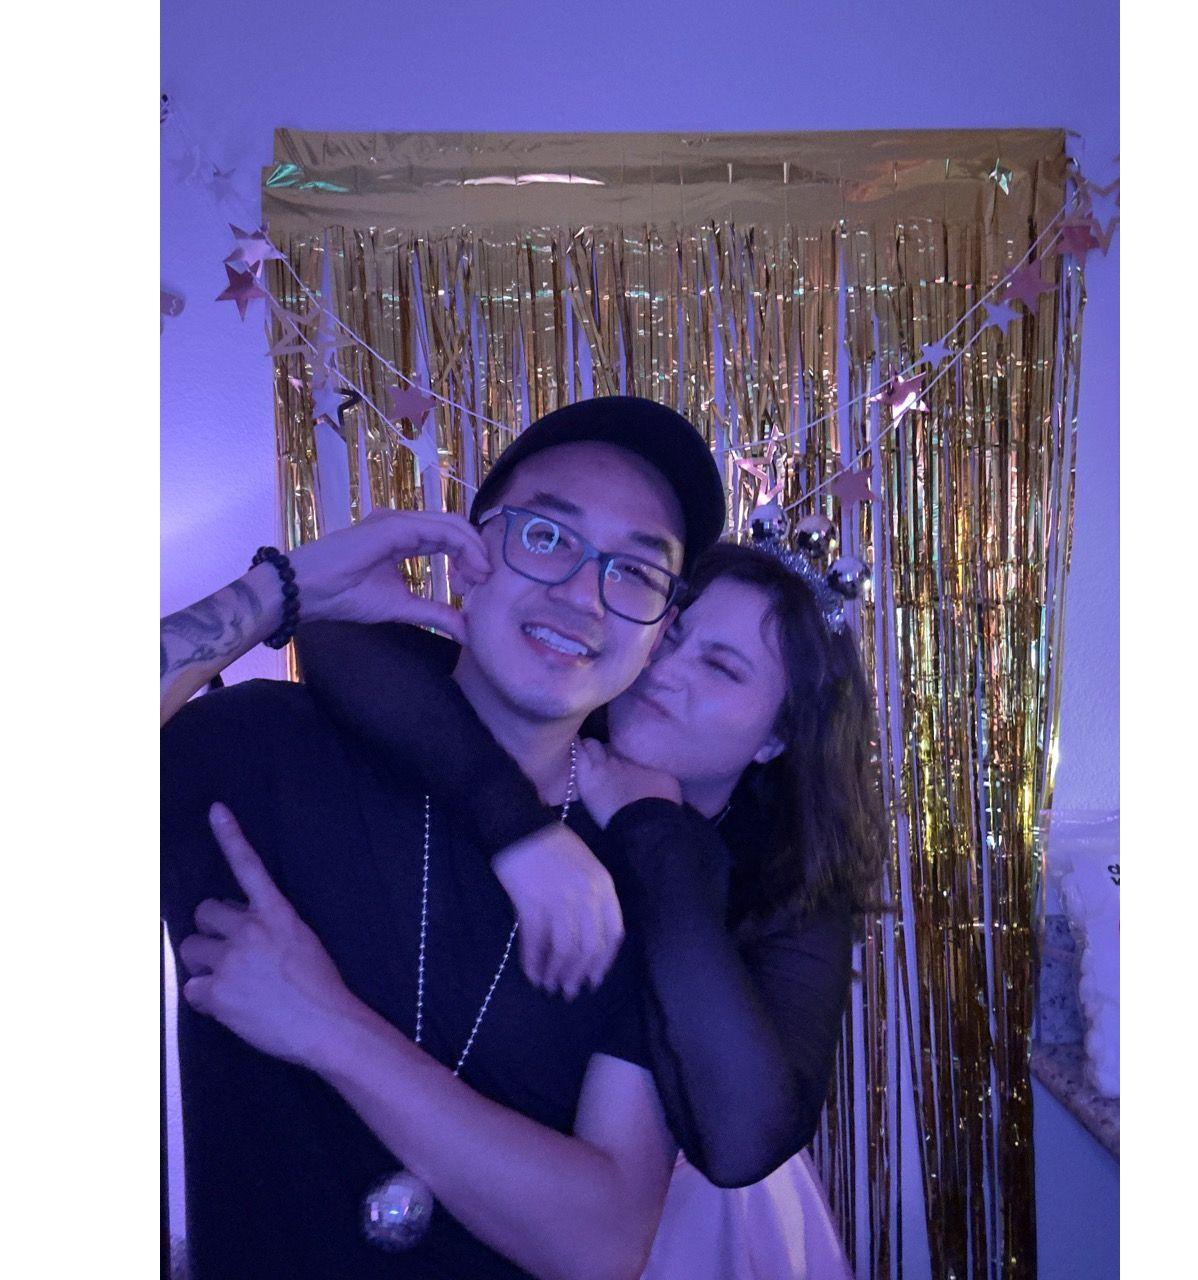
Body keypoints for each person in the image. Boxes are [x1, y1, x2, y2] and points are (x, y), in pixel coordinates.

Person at [182, 530, 888, 1276]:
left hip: (692, 1231)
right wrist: (519, 829)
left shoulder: (791, 879)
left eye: (721, 666)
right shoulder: (550, 730)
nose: (666, 671)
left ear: (777, 737)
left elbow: (742, 1139)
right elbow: (344, 648)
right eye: (673, 635)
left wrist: (653, 831)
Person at [161, 396, 725, 1280]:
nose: (583, 595)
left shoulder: (646, 863)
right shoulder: (267, 748)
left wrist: (327, 1026)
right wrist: (284, 589)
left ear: (657, 636)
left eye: (637, 572)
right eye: (547, 536)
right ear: (469, 558)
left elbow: (604, 1243)